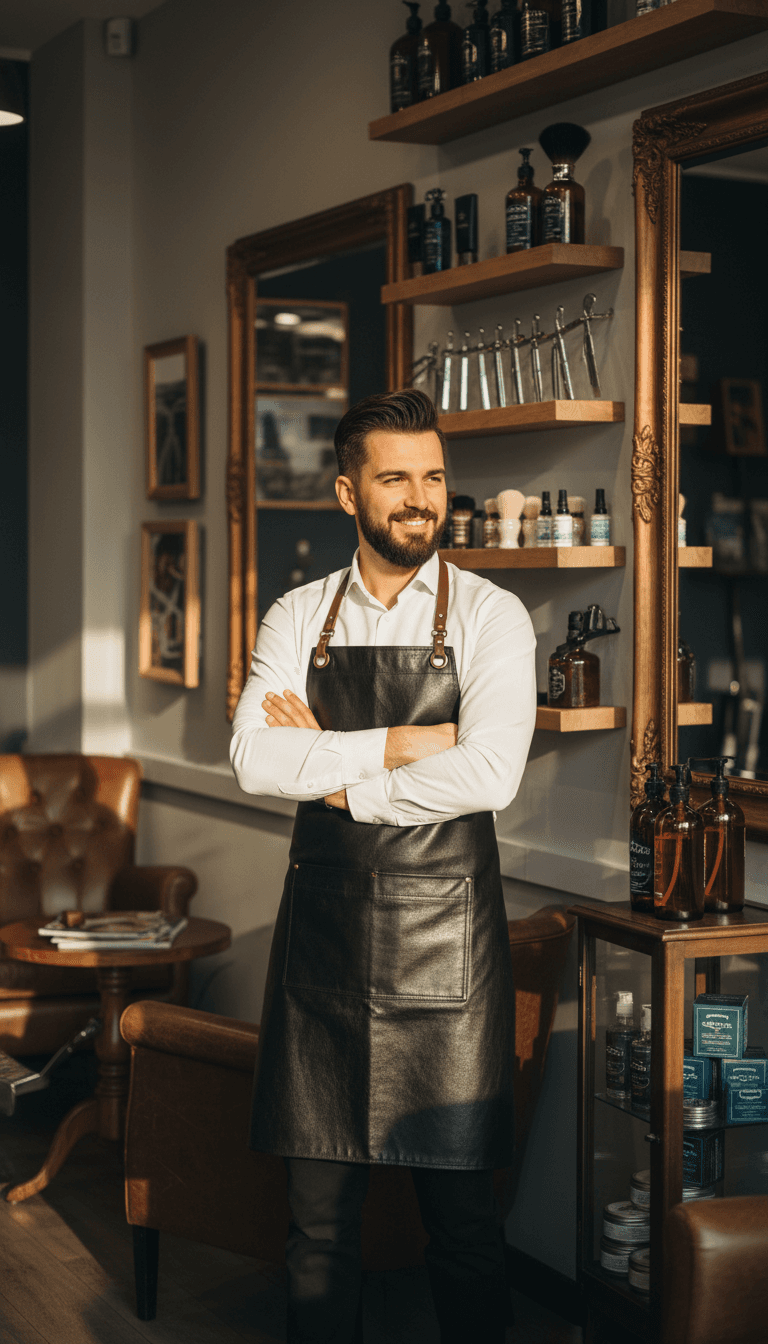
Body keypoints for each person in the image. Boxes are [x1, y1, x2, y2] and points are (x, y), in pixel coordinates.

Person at [231, 388, 537, 1344]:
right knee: (316, 1231)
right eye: (395, 477)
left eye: (434, 476)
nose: (421, 497)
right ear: (346, 493)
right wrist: (403, 740)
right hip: (323, 959)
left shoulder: (494, 617)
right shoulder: (297, 615)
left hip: (448, 966)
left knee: (465, 1231)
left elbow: (490, 772)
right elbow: (254, 760)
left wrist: (336, 774)